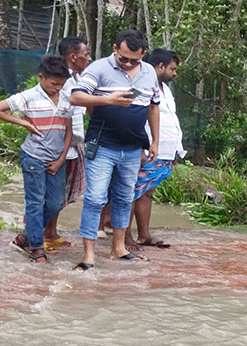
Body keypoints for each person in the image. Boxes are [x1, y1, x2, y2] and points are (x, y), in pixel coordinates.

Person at [70, 29, 160, 271]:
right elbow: (76, 97)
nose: (129, 63)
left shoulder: (149, 71)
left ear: (143, 55)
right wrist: (108, 100)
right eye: (124, 58)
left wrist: (155, 141)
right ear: (114, 48)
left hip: (132, 148)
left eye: (135, 60)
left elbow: (154, 107)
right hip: (102, 146)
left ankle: (118, 248)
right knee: (95, 198)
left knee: (123, 198)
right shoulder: (99, 68)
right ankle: (88, 254)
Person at [1, 55, 73, 263]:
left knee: (56, 202)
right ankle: (36, 249)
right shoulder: (28, 96)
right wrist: (24, 124)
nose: (58, 88)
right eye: (54, 84)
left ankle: (25, 236)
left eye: (62, 84)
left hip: (57, 159)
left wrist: (61, 159)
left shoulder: (67, 98)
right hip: (33, 156)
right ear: (41, 77)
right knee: (35, 202)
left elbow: (68, 131)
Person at [122, 48, 185, 249]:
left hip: (164, 152)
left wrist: (176, 149)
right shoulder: (139, 86)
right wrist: (139, 147)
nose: (175, 73)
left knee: (146, 192)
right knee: (132, 192)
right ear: (160, 67)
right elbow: (132, 117)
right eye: (172, 69)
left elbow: (171, 120)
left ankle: (144, 235)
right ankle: (124, 237)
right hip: (146, 151)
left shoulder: (166, 90)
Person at [43, 36, 92, 252]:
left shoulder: (76, 79)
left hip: (73, 145)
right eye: (86, 54)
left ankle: (52, 233)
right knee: (50, 192)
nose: (89, 58)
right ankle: (41, 234)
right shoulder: (61, 81)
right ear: (73, 56)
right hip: (58, 145)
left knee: (61, 192)